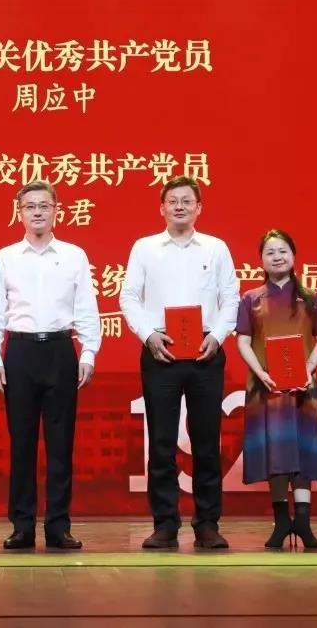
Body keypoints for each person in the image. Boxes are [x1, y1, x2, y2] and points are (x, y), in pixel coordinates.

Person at [120, 175, 239, 549]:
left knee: (207, 441)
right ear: (162, 208)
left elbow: (231, 298)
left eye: (187, 201)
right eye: (173, 201)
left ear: (199, 207)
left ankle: (207, 523)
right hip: (161, 351)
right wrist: (148, 336)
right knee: (161, 441)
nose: (180, 206)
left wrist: (217, 336)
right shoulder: (145, 248)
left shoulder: (216, 248)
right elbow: (129, 297)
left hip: (206, 351)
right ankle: (165, 523)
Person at [0, 180, 101, 550]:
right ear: (19, 213)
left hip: (60, 350)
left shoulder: (74, 256)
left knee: (61, 444)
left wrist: (88, 352)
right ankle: (22, 525)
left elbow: (86, 307)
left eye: (44, 206)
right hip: (19, 352)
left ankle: (58, 526)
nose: (37, 212)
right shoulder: (5, 257)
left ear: (56, 211)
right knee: (21, 444)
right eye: (30, 206)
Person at [235, 229, 317, 549]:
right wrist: (261, 372)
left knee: (303, 450)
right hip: (267, 387)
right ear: (261, 260)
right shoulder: (251, 298)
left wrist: (309, 367)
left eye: (282, 251)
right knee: (274, 452)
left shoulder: (311, 298)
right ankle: (280, 522)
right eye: (270, 252)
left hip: (303, 385)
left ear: (293, 255)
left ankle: (302, 522)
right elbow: (243, 341)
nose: (277, 257)